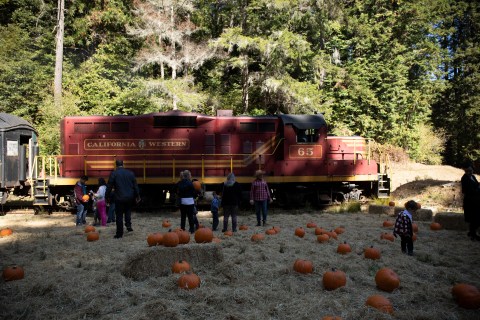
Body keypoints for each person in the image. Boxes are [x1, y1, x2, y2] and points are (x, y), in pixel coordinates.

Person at [105, 160, 141, 239]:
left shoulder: (114, 173)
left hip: (119, 197)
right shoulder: (130, 173)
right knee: (128, 211)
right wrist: (137, 195)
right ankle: (128, 226)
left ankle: (119, 234)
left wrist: (106, 197)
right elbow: (135, 185)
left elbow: (109, 186)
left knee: (119, 215)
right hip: (129, 197)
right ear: (123, 164)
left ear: (116, 165)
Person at [461, 164, 480, 241]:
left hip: (476, 200)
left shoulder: (473, 177)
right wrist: (478, 190)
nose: (469, 172)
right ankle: (473, 234)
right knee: (474, 217)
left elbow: (477, 184)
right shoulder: (464, 179)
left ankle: (472, 232)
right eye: (467, 171)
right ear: (465, 171)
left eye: (471, 170)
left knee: (476, 216)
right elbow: (466, 191)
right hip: (470, 201)